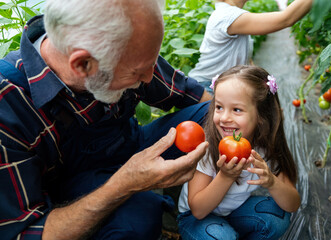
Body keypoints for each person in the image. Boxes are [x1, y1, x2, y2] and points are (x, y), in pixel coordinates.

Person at [0, 0, 213, 239]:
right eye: (138, 71)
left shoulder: (128, 49)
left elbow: (190, 93)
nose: (149, 77)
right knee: (137, 222)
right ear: (83, 64)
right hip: (73, 194)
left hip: (131, 146)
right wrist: (124, 184)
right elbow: (25, 234)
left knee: (217, 115)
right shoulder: (8, 105)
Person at [177, 65, 301, 239]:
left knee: (277, 218)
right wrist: (225, 176)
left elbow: (293, 204)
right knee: (221, 237)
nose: (225, 117)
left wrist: (272, 182)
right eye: (219, 107)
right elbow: (198, 210)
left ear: (261, 115)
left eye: (236, 110)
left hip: (234, 212)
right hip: (197, 219)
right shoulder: (207, 146)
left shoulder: (265, 148)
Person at [188, 0, 313, 92]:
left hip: (221, 85)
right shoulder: (226, 16)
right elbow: (286, 19)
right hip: (208, 88)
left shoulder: (232, 14)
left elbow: (246, 61)